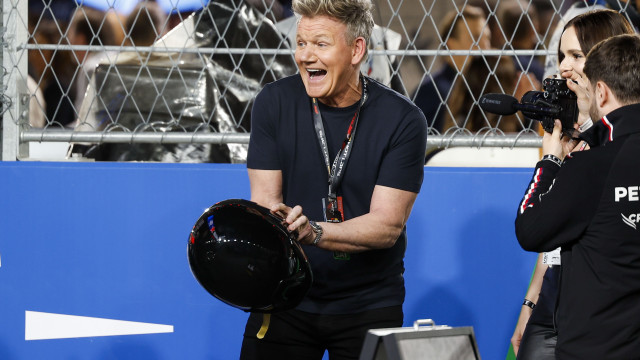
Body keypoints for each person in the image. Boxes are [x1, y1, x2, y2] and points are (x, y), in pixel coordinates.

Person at [243, 0, 427, 358]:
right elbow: (265, 202)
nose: (305, 56)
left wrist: (316, 231)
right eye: (301, 43)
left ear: (356, 50)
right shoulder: (272, 103)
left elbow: (387, 225)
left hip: (370, 302)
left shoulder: (403, 120)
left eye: (321, 44)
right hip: (285, 297)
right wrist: (276, 222)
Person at [511, 10, 635, 359]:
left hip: (600, 317)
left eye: (577, 56)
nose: (564, 67)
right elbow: (550, 225)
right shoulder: (560, 130)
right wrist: (531, 300)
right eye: (561, 56)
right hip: (553, 299)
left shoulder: (618, 139)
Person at [412, 6, 491, 133]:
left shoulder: (487, 87)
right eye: (476, 38)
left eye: (487, 38)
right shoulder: (432, 92)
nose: (485, 47)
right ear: (450, 44)